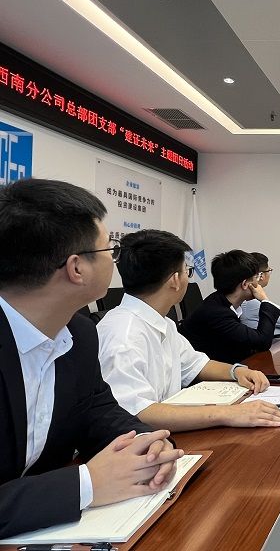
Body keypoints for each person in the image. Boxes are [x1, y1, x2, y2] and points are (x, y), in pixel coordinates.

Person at [0, 178, 182, 538]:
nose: (115, 259)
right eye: (109, 249)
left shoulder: (79, 334)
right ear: (76, 268)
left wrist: (149, 444)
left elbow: (98, 412)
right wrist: (86, 484)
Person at [97, 231, 280, 432]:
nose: (187, 279)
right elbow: (137, 412)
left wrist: (237, 371)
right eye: (187, 271)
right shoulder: (123, 335)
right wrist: (229, 413)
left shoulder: (163, 323)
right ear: (175, 280)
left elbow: (196, 364)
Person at [179, 250, 280, 363]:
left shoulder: (219, 301)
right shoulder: (217, 313)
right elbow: (262, 342)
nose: (258, 284)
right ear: (245, 284)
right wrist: (265, 300)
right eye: (256, 278)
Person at [240, 252, 280, 336]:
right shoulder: (251, 301)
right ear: (261, 275)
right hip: (273, 342)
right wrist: (265, 300)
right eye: (269, 270)